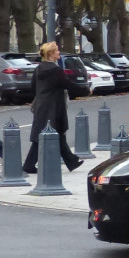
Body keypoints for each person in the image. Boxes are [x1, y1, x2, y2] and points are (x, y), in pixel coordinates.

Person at [23, 42, 82, 174]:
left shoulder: (39, 69)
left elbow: (33, 87)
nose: (59, 53)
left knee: (55, 133)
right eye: (57, 51)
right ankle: (28, 164)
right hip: (53, 106)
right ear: (50, 54)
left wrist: (40, 97)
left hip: (41, 105)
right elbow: (68, 84)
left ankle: (71, 161)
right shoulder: (55, 70)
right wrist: (85, 89)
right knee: (47, 134)